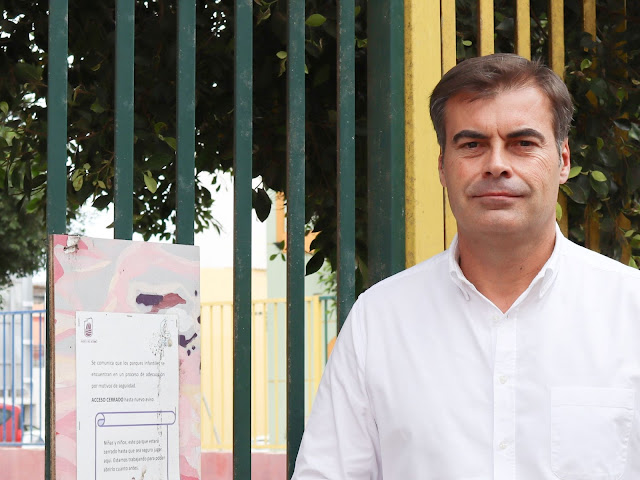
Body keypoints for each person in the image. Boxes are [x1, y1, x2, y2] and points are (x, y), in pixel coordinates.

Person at [292, 53, 640, 479]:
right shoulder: (380, 320)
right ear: (442, 166)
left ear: (563, 160)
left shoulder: (631, 311)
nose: (496, 164)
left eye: (523, 143)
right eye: (472, 145)